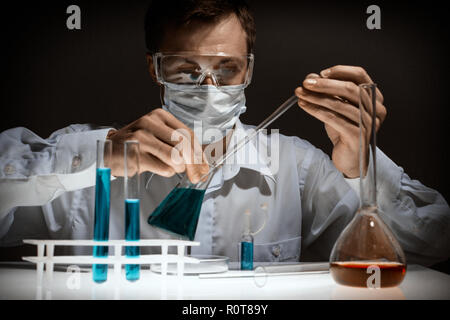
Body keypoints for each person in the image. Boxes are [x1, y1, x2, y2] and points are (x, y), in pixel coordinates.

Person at [0, 0, 449, 266]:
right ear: (155, 70)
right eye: (186, 69)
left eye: (227, 69)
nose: (209, 88)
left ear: (248, 70)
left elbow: (431, 246)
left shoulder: (297, 167)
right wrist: (98, 154)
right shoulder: (91, 161)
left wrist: (362, 166)